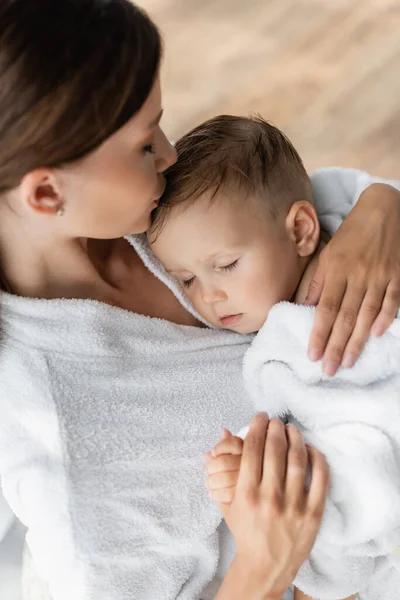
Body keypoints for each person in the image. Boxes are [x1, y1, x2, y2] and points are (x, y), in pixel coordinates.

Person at [0, 2, 400, 600]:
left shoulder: (147, 211)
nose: (168, 154)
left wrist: (381, 209)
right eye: (142, 145)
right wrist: (265, 566)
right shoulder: (54, 427)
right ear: (46, 191)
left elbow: (294, 209)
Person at [148, 114, 400, 599]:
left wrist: (261, 467)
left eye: (225, 266)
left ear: (302, 229)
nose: (211, 297)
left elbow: (372, 420)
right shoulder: (278, 329)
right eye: (187, 280)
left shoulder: (321, 311)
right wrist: (263, 465)